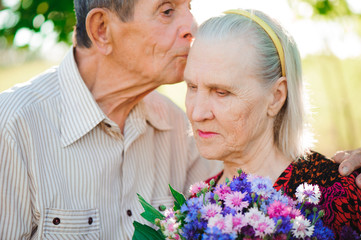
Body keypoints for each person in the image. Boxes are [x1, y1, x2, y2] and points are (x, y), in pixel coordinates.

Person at [0, 0, 221, 239]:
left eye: (190, 8)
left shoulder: (180, 126)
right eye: (167, 11)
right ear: (102, 29)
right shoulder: (13, 125)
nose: (193, 27)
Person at [183, 9, 361, 236]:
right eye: (192, 87)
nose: (197, 113)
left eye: (221, 92)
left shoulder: (337, 195)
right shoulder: (197, 207)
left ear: (276, 96)